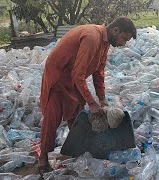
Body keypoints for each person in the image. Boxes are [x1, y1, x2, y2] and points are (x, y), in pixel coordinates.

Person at [38, 16, 136, 174]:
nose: (123, 44)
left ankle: (77, 149)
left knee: (77, 114)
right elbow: (78, 74)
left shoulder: (105, 44)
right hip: (59, 75)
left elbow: (99, 73)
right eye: (124, 39)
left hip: (73, 77)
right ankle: (43, 158)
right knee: (52, 118)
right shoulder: (92, 37)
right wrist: (92, 102)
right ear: (115, 30)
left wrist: (102, 100)